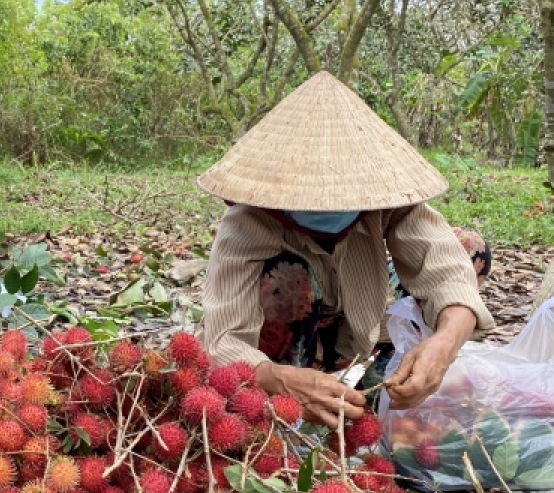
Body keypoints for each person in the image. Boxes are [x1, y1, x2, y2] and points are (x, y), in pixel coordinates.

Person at [196, 71, 494, 429]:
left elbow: (444, 267)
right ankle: (311, 382)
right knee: (287, 276)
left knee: (468, 247)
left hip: (362, 322)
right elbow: (223, 340)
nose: (328, 203)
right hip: (290, 346)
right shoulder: (248, 222)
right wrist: (281, 381)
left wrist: (445, 344)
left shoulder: (385, 199)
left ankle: (384, 372)